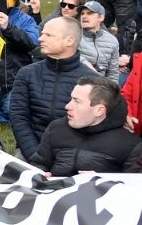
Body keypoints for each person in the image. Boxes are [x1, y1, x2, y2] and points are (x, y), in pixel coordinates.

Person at [10, 16, 98, 162]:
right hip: (30, 151)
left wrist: (68, 161)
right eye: (42, 33)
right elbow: (18, 117)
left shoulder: (92, 80)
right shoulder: (27, 73)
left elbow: (95, 126)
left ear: (69, 40)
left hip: (75, 156)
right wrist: (35, 157)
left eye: (48, 35)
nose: (40, 39)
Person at [30, 77, 142, 175]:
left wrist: (102, 180)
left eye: (77, 101)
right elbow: (38, 163)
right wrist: (40, 175)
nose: (67, 106)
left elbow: (132, 187)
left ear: (99, 110)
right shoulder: (56, 128)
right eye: (71, 99)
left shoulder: (131, 145)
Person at [77, 1, 120, 82]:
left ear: (101, 18)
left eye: (89, 13)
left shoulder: (112, 40)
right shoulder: (73, 35)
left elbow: (113, 73)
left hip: (100, 86)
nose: (84, 16)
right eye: (82, 14)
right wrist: (85, 63)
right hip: (76, 83)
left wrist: (112, 92)